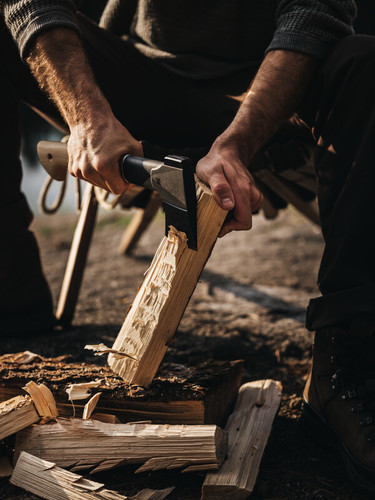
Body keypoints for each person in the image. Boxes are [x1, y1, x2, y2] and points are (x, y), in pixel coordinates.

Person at [1, 0, 375, 492]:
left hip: (276, 89)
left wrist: (237, 144)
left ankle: (344, 359)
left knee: (365, 62)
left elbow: (315, 12)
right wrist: (87, 115)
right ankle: (13, 312)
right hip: (141, 80)